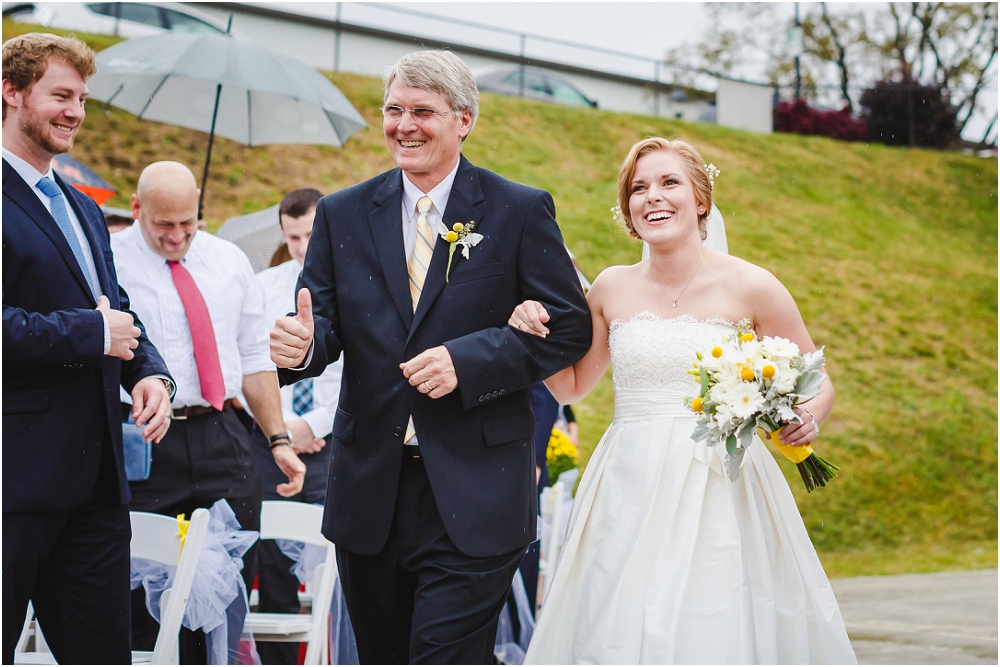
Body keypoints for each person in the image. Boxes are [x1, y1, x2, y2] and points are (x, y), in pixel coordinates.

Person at [269, 50, 592, 664]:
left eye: (423, 111)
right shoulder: (341, 214)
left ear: (464, 119)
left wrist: (469, 362)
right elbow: (325, 328)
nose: (404, 125)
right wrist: (303, 347)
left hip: (477, 489)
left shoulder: (519, 210)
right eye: (394, 110)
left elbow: (570, 326)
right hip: (371, 492)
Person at [512, 137, 857, 664]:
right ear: (628, 210)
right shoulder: (609, 287)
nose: (653, 196)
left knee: (716, 618)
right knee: (619, 620)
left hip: (722, 484)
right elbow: (570, 387)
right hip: (628, 483)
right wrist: (532, 333)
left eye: (669, 182)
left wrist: (807, 417)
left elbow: (817, 379)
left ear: (701, 199)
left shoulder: (752, 285)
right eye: (638, 188)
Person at [2, 33, 174, 664]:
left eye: (82, 97)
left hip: (97, 485)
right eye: (61, 95)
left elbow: (115, 309)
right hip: (11, 484)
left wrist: (151, 375)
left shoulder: (80, 204)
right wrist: (88, 334)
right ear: (12, 92)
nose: (75, 110)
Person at [112, 161, 305, 662]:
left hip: (221, 433)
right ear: (137, 209)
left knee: (225, 587)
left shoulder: (228, 260)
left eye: (188, 223)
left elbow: (254, 360)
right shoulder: (109, 261)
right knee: (138, 588)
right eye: (164, 225)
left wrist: (278, 438)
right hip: (142, 438)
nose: (178, 236)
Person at [251, 187, 345, 665]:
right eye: (293, 238)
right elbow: (253, 362)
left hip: (332, 441)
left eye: (310, 234)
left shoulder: (350, 282)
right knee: (273, 561)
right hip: (275, 437)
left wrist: (312, 424)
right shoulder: (265, 286)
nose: (303, 247)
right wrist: (281, 430)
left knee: (339, 559)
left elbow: (354, 372)